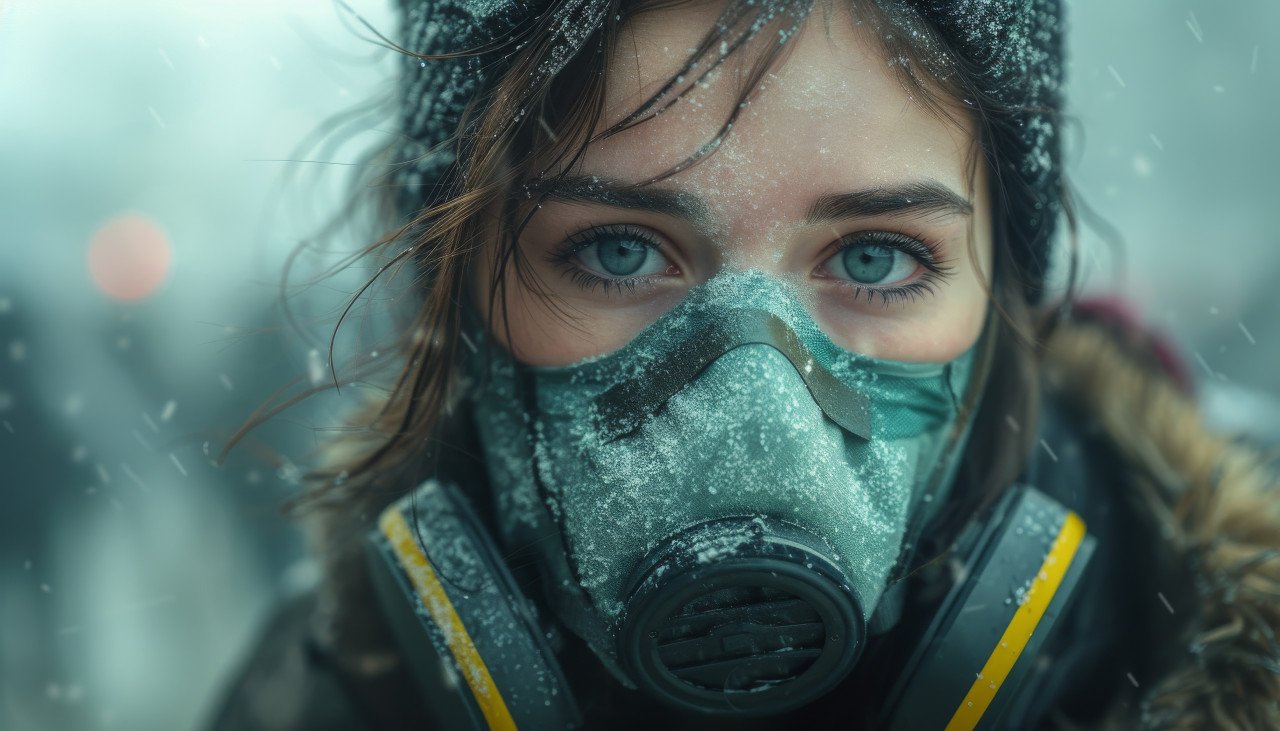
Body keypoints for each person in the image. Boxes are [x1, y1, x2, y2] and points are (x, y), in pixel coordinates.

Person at [207, 0, 1280, 728]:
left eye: (873, 256)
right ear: (464, 297)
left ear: (1001, 295)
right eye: (616, 250)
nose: (754, 406)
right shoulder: (318, 692)